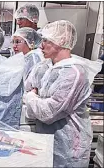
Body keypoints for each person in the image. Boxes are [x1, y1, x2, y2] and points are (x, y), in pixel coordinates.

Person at [23, 20, 102, 167]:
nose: (41, 45)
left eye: (46, 40)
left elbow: (48, 113)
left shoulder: (74, 74)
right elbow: (27, 89)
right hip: (45, 141)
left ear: (62, 41)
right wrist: (33, 98)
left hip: (69, 148)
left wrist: (32, 97)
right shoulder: (43, 67)